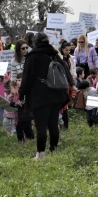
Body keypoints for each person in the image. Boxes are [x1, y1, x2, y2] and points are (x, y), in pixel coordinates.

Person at [18, 32, 73, 161]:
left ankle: (41, 154)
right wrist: (71, 84)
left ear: (35, 43)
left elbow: (26, 78)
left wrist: (21, 95)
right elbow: (66, 71)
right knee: (53, 124)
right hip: (57, 94)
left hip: (39, 96)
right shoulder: (54, 54)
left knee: (41, 126)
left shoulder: (32, 56)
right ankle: (54, 150)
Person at [7, 75, 34, 142]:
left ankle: (20, 141)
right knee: (27, 128)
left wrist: (12, 104)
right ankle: (32, 138)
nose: (18, 82)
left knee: (19, 128)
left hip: (25, 114)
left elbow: (21, 103)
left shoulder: (26, 91)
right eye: (17, 80)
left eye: (20, 80)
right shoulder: (20, 91)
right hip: (23, 114)